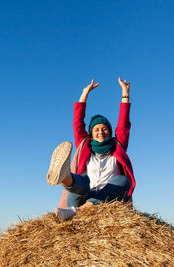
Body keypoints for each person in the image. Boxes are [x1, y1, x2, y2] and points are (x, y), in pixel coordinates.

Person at [46, 77, 136, 221]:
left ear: (110, 132)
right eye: (96, 129)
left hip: (107, 198)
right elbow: (78, 122)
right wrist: (84, 94)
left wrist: (125, 92)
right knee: (83, 180)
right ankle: (64, 177)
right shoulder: (84, 145)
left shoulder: (118, 146)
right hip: (83, 195)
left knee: (123, 181)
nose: (101, 131)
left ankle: (78, 210)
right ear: (91, 134)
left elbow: (124, 123)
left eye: (104, 128)